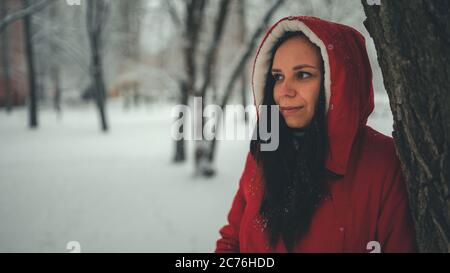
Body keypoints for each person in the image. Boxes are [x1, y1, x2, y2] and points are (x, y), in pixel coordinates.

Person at [215, 16, 417, 253]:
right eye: (278, 77)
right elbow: (232, 239)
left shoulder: (383, 163)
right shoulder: (266, 150)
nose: (284, 92)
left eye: (302, 75)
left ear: (338, 82)